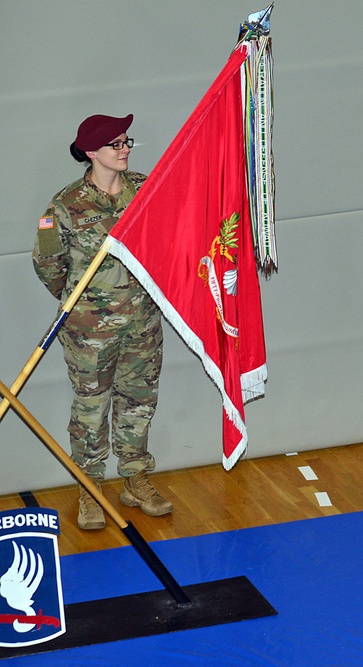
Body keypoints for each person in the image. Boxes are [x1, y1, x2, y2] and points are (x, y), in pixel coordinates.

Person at [33, 113, 172, 530]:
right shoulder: (64, 205)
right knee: (91, 408)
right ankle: (90, 488)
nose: (125, 148)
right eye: (116, 144)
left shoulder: (148, 190)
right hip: (88, 330)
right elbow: (47, 264)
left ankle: (134, 477)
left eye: (128, 141)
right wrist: (85, 303)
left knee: (139, 401)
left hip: (143, 320)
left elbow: (170, 237)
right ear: (91, 152)